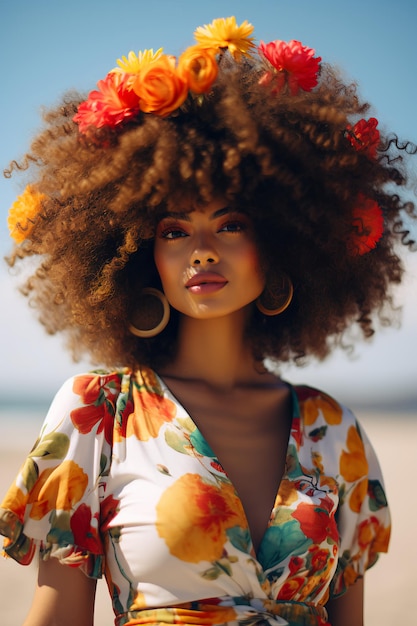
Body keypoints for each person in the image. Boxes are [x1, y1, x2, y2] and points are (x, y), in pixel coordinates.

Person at [0, 15, 414, 626]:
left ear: (278, 243)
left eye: (230, 223)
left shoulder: (335, 432)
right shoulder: (98, 413)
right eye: (173, 230)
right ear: (144, 258)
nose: (201, 249)